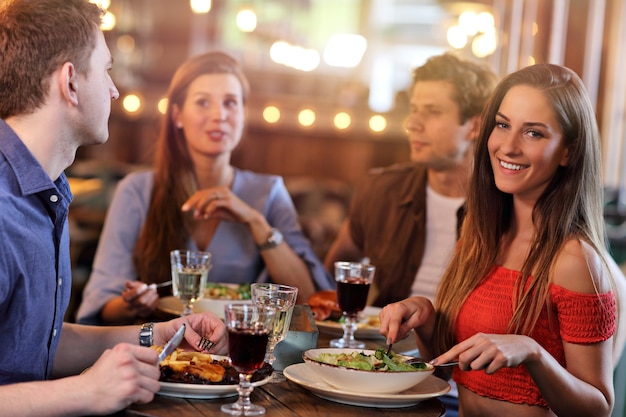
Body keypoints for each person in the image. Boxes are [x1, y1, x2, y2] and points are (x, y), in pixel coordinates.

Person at [0, 1, 227, 415]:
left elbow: (31, 340)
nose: (114, 89)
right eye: (105, 69)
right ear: (70, 82)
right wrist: (85, 392)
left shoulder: (45, 191)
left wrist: (158, 334)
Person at [379, 63, 621, 417]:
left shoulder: (574, 260)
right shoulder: (480, 234)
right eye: (503, 125)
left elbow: (598, 408)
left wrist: (533, 352)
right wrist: (427, 317)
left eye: (534, 133)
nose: (508, 146)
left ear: (568, 151)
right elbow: (445, 370)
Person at [76, 50, 333, 325]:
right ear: (177, 115)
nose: (219, 115)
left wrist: (255, 221)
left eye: (230, 103)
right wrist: (135, 304)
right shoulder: (137, 191)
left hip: (239, 351)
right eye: (202, 102)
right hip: (158, 351)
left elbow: (309, 299)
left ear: (244, 114)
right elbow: (102, 304)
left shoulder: (269, 192)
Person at [323, 53, 498, 307]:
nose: (413, 123)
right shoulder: (382, 191)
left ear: (474, 127)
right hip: (386, 342)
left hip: (465, 345)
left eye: (432, 112)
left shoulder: (507, 206)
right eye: (414, 110)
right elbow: (330, 276)